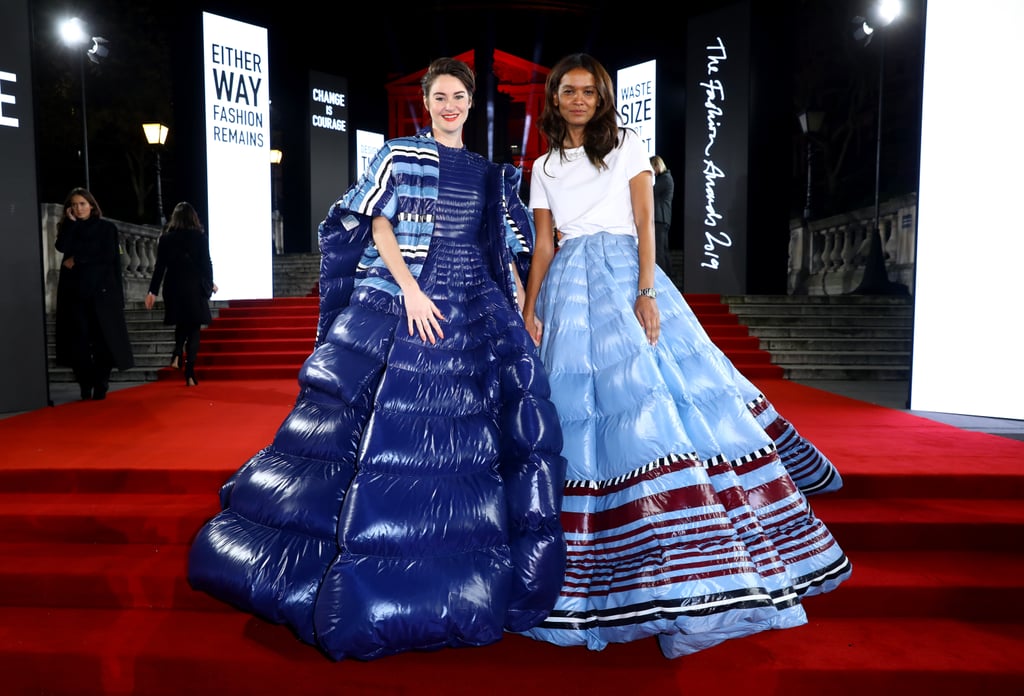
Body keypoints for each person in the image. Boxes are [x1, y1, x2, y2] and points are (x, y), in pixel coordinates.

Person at [188, 57, 567, 662]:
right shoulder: (398, 155)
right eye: (439, 96)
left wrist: (521, 304)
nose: (449, 105)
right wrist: (411, 288)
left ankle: (462, 579)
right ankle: (368, 577)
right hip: (410, 298)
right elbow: (375, 222)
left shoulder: (493, 174)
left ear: (470, 103)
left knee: (477, 443)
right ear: (427, 101)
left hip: (476, 303)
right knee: (382, 434)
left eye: (458, 96)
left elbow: (502, 246)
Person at [518, 53, 852, 659]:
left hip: (625, 274)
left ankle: (694, 565)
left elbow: (647, 222)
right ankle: (593, 564)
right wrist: (530, 307)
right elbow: (543, 241)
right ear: (554, 97)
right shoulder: (542, 164)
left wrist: (647, 291)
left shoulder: (626, 143)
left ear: (601, 98)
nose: (577, 99)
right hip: (567, 285)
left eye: (588, 91)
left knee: (652, 399)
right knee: (578, 412)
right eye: (568, 90)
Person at [53, 187, 135, 400]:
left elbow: (107, 256)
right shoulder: (69, 227)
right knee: (78, 342)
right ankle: (85, 382)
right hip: (75, 295)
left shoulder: (107, 228)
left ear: (91, 205)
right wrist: (70, 224)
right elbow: (61, 247)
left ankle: (101, 381)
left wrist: (78, 260)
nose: (78, 208)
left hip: (102, 293)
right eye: (74, 204)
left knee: (103, 341)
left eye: (82, 204)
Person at [144, 201, 218, 386]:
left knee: (181, 323)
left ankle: (177, 352)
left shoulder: (166, 238)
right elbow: (205, 263)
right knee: (193, 328)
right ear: (193, 217)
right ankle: (190, 372)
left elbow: (160, 266)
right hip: (194, 286)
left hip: (174, 286)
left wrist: (152, 291)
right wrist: (209, 284)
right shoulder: (200, 237)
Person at [650, 154, 675, 277]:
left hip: (660, 219)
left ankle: (662, 278)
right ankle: (668, 278)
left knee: (659, 251)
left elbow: (650, 192)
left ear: (656, 165)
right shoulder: (665, 178)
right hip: (663, 219)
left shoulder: (665, 179)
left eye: (652, 169)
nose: (652, 172)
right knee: (663, 250)